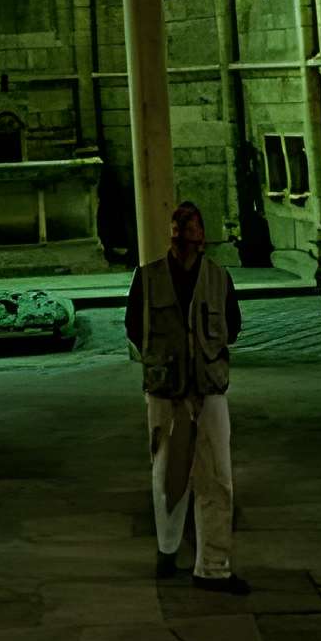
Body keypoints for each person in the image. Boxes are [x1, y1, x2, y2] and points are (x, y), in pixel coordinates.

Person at [125, 198, 244, 592]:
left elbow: (233, 324)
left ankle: (213, 565)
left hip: (208, 388)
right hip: (165, 390)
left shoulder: (218, 277)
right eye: (178, 225)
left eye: (189, 225)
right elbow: (133, 325)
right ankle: (168, 549)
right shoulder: (147, 277)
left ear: (201, 235)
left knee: (216, 477)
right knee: (168, 475)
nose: (182, 232)